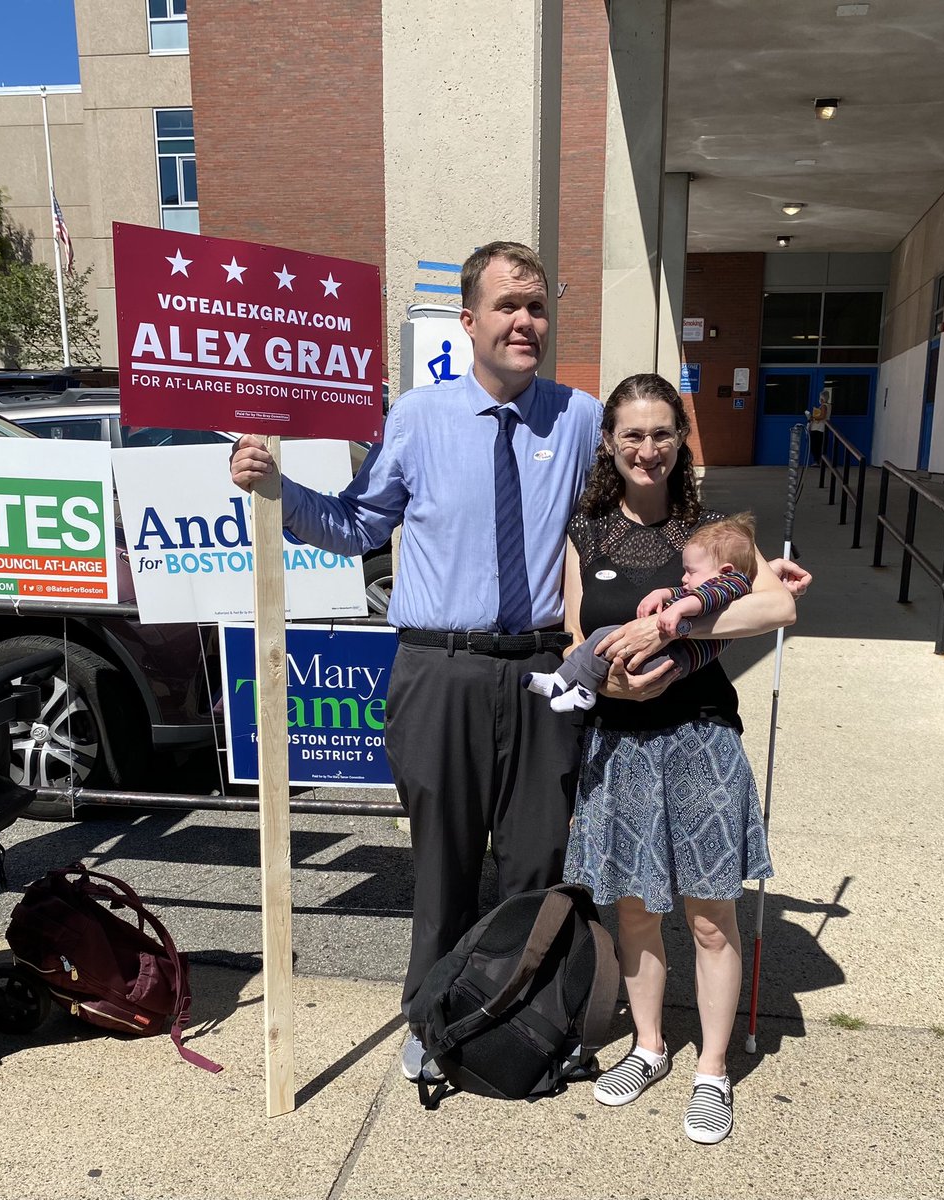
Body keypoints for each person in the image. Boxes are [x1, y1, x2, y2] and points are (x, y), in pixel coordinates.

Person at [228, 241, 610, 1083]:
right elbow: (363, 526)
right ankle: (433, 1014)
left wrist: (721, 576)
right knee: (442, 859)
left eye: (537, 307)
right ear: (468, 320)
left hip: (545, 670)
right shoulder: (417, 417)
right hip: (439, 671)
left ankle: (521, 1012)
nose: (525, 321)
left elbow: (617, 528)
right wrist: (277, 490)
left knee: (535, 858)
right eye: (507, 305)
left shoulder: (580, 419)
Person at [559, 373, 797, 1146]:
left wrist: (671, 629)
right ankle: (651, 1046)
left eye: (663, 432)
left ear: (680, 442)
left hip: (700, 743)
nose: (648, 448)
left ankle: (713, 1069)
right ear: (609, 443)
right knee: (633, 910)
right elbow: (572, 639)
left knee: (709, 918)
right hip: (620, 746)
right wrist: (610, 683)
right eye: (633, 433)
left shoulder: (710, 530)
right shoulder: (586, 532)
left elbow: (776, 605)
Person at [521, 513, 757, 712]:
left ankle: (583, 689)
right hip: (672, 651)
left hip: (676, 660)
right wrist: (665, 594)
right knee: (604, 635)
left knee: (620, 653)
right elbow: (691, 593)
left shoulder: (733, 582)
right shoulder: (714, 582)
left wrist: (678, 608)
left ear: (725, 570)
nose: (684, 578)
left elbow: (707, 597)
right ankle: (562, 680)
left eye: (690, 572)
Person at [809, 386, 832, 465]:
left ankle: (817, 461)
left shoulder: (824, 406)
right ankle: (819, 461)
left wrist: (813, 417)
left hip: (818, 429)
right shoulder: (828, 406)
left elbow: (822, 416)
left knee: (815, 445)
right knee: (820, 445)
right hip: (822, 428)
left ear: (822, 398)